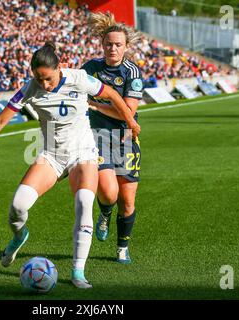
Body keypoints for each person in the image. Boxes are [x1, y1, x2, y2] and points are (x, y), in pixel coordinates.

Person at [0, 42, 140, 289]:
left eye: (48, 79)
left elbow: (113, 95)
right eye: (39, 79)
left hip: (83, 153)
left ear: (59, 68)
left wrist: (130, 122)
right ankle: (20, 236)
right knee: (17, 206)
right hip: (51, 155)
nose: (45, 85)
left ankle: (78, 272)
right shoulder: (30, 88)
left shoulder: (80, 79)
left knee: (84, 202)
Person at [81, 12, 143, 264]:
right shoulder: (90, 68)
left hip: (125, 138)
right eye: (108, 44)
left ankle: (122, 248)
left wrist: (95, 105)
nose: (113, 48)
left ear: (126, 47)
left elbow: (128, 111)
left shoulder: (132, 72)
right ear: (102, 45)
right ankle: (105, 213)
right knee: (109, 193)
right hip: (97, 138)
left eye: (118, 44)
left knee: (127, 201)